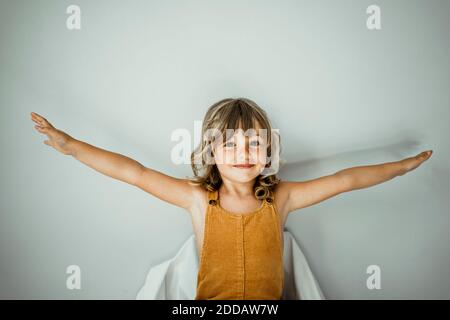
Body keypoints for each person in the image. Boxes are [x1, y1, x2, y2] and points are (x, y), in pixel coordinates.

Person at [30, 97, 433, 300]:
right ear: (210, 152)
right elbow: (133, 172)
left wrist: (398, 168)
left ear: (268, 152)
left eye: (254, 143)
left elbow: (345, 180)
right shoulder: (194, 199)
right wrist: (71, 145)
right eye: (230, 144)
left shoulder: (283, 198)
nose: (243, 153)